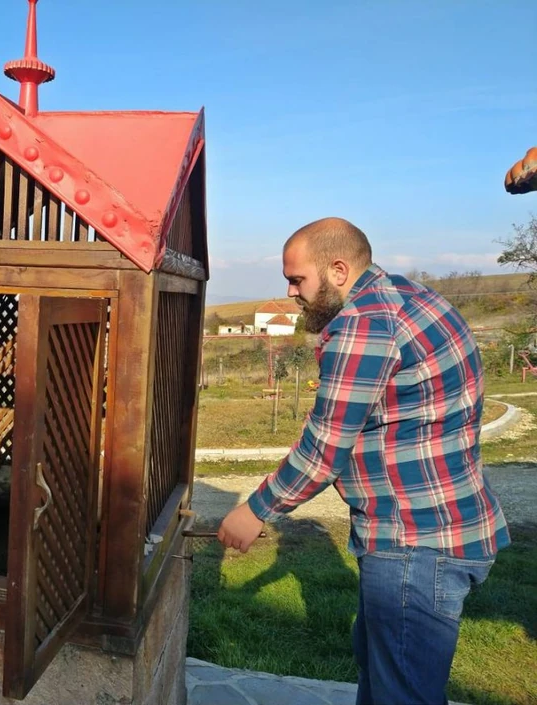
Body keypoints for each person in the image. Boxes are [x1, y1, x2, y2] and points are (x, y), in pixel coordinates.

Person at [217, 218, 510, 705]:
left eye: (297, 279)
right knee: (386, 683)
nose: (290, 292)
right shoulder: (412, 298)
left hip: (415, 543)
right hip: (446, 527)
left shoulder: (364, 324)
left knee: (400, 695)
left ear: (338, 270)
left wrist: (255, 510)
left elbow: (324, 448)